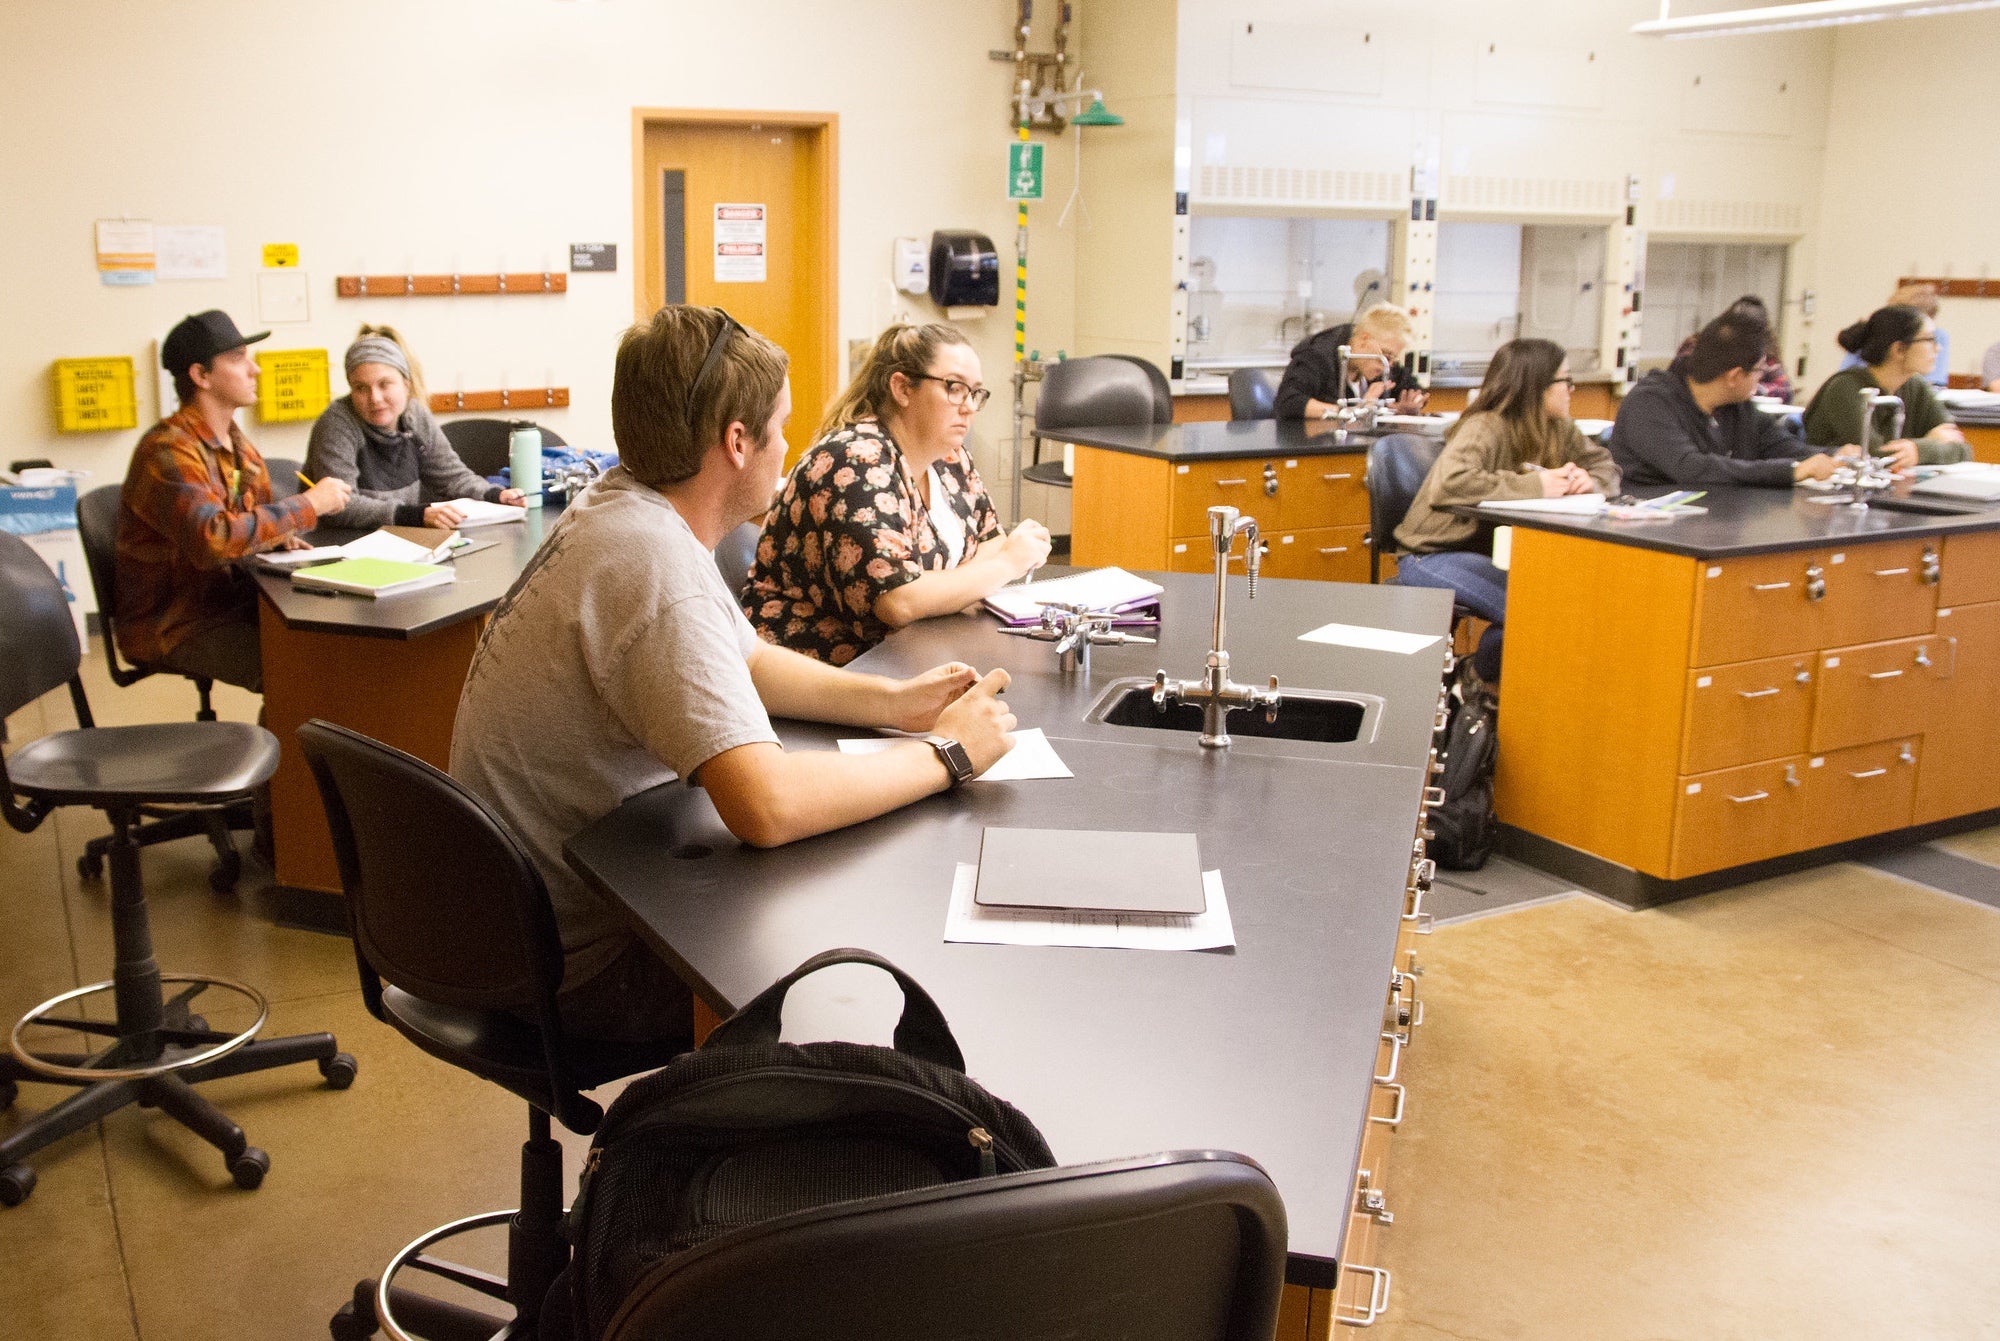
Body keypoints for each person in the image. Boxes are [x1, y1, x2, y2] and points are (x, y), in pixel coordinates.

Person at [449, 306, 1018, 1045]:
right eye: (780, 428)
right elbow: (767, 808)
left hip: (522, 918)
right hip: (575, 971)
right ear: (737, 441)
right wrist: (945, 754)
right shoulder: (655, 567)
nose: (790, 447)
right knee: (853, 987)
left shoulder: (624, 507)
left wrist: (895, 702)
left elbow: (744, 656)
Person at [743, 323, 1051, 664]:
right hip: (821, 674)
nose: (968, 407)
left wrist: (942, 588)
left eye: (975, 393)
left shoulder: (950, 456)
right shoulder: (855, 461)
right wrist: (1007, 565)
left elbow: (991, 541)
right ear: (903, 389)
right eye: (954, 388)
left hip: (913, 657)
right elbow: (898, 601)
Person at [115, 310, 352, 692]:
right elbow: (216, 539)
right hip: (178, 623)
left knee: (338, 645)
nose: (254, 369)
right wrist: (309, 504)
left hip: (231, 602)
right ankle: (280, 751)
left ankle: (292, 746)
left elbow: (247, 521)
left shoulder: (237, 444)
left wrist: (275, 534)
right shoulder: (167, 450)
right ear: (201, 376)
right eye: (238, 359)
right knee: (300, 669)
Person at [1393, 338, 1620, 685]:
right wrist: (1539, 486)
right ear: (1536, 386)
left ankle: (1485, 679)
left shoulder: (1559, 428)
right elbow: (1451, 482)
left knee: (1565, 606)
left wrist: (1587, 479)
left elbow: (1606, 467)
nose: (1572, 389)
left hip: (1491, 555)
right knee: (1533, 611)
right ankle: (1475, 679)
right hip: (1433, 553)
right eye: (1565, 381)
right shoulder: (1485, 425)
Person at [304, 325, 525, 530]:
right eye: (361, 388)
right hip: (338, 545)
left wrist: (494, 494)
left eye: (384, 384)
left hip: (398, 540)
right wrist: (414, 515)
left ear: (406, 384)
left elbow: (451, 476)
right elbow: (340, 505)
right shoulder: (336, 422)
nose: (375, 398)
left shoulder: (414, 415)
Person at [1609, 311, 1843, 489]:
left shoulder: (1736, 406)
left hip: (1720, 519)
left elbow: (1782, 446)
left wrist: (1833, 455)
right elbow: (1692, 468)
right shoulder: (1649, 403)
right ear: (1734, 376)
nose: (1761, 378)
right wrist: (1790, 471)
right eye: (1759, 371)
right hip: (1652, 532)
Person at [1802, 305, 1969, 470]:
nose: (1938, 348)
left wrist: (1918, 450)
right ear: (1899, 349)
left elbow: (1963, 448)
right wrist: (1929, 445)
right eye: (1929, 340)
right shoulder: (1844, 388)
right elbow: (1873, 456)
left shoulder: (1915, 384)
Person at [1274, 303, 1427, 421]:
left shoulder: (1381, 364)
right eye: (1386, 356)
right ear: (1364, 340)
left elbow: (1414, 389)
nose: (1389, 364)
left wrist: (1412, 403)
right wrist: (1356, 411)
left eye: (1393, 358)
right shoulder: (1318, 355)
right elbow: (1289, 402)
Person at [1674, 295, 1792, 403]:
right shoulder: (1700, 343)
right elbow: (1683, 377)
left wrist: (1751, 387)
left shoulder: (1764, 352)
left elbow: (1785, 390)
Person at [1841, 283, 1950, 387]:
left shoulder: (1939, 336)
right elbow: (1845, 374)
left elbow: (1935, 382)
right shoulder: (1869, 333)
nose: (1937, 348)